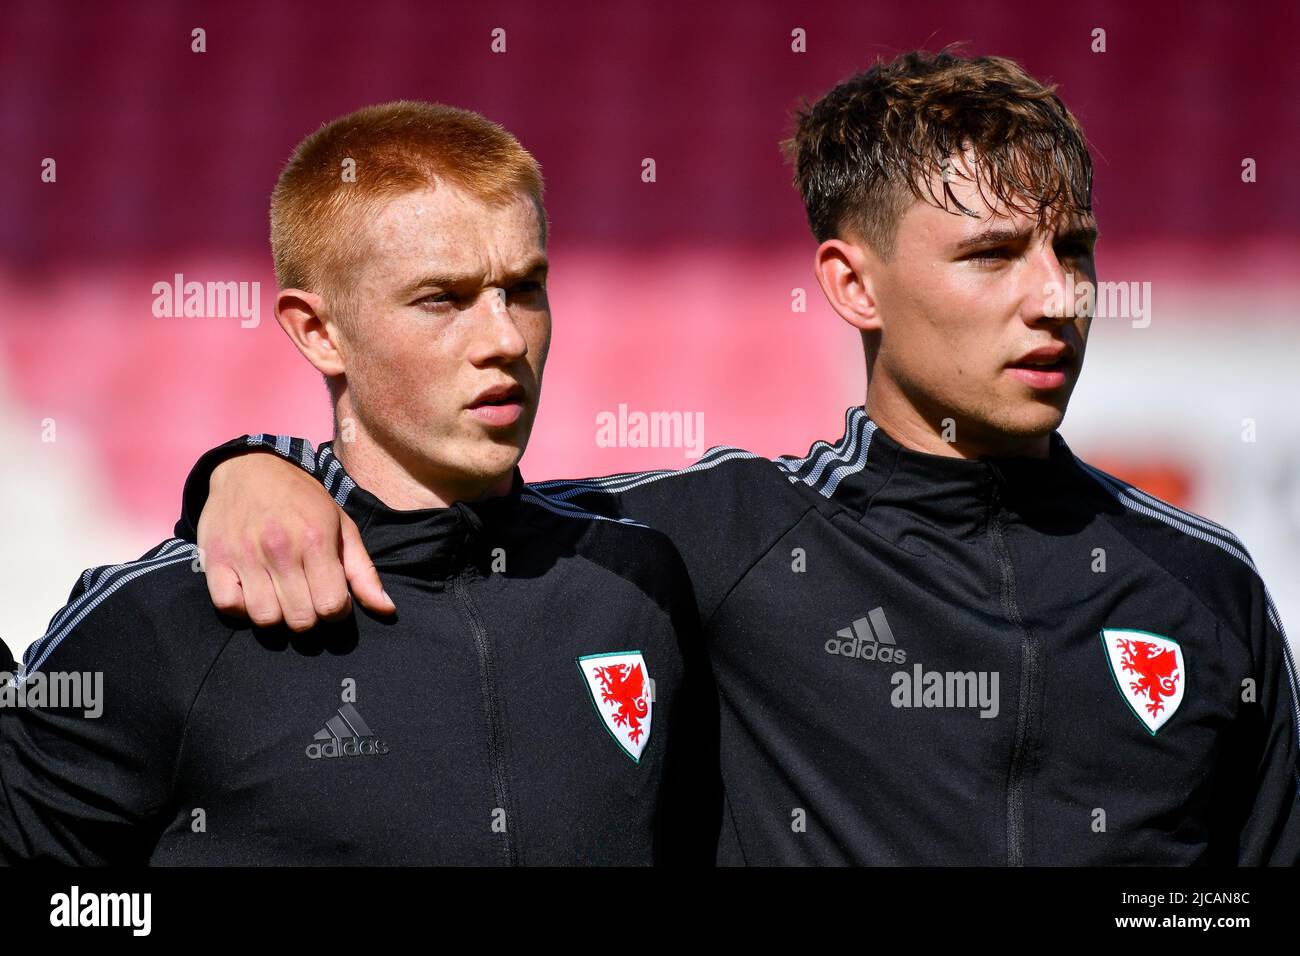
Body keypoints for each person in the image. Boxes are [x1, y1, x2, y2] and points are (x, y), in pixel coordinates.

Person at [173, 51, 1299, 864]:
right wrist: (256, 463)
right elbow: (441, 501)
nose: (1056, 297)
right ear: (852, 282)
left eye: (1076, 250)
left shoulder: (1204, 582)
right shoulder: (718, 539)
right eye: (993, 255)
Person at [0, 101, 715, 865]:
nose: (506, 339)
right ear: (318, 330)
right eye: (443, 298)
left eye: (526, 286)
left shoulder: (639, 577)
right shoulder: (169, 621)